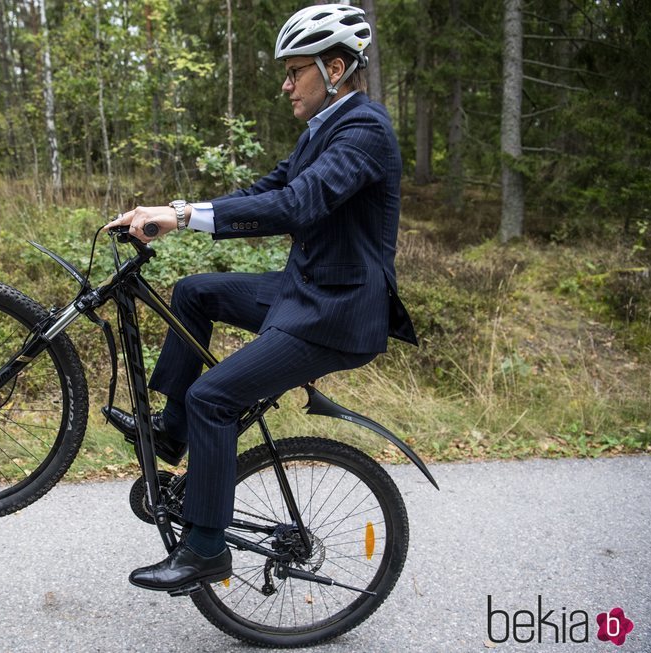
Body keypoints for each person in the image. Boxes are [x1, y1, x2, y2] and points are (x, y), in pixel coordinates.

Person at [103, 3, 417, 594]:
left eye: (295, 70)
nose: (285, 82)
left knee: (215, 399)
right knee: (193, 292)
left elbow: (297, 205)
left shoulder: (364, 132)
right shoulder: (322, 131)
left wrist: (181, 215)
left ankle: (204, 550)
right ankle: (173, 436)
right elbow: (265, 192)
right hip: (304, 288)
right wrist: (172, 215)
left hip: (338, 312)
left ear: (337, 66)